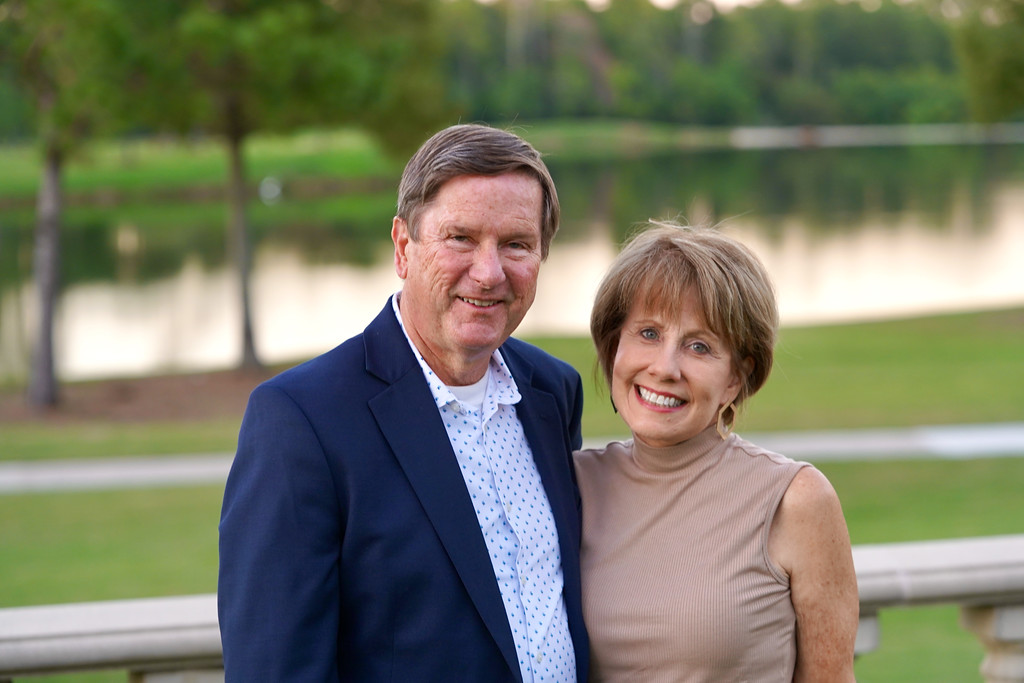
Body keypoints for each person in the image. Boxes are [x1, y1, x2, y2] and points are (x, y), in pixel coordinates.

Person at [218, 124, 589, 682]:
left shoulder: (552, 393)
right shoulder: (301, 422)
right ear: (402, 247)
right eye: (460, 238)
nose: (489, 273)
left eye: (515, 244)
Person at [574, 221, 859, 682]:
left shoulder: (795, 501)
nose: (664, 368)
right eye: (647, 333)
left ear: (736, 377)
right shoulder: (571, 486)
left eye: (699, 346)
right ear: (614, 348)